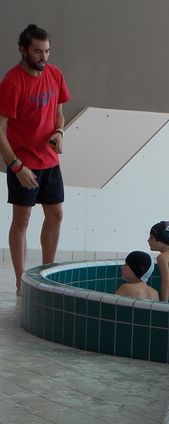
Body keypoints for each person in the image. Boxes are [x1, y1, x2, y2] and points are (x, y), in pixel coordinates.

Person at [0, 24, 71, 295]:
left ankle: (47, 274)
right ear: (23, 50)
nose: (44, 57)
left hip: (50, 160)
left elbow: (59, 113)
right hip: (23, 163)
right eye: (38, 51)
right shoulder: (12, 82)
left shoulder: (54, 74)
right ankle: (21, 282)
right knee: (22, 220)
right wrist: (16, 166)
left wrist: (60, 132)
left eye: (47, 51)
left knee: (56, 214)